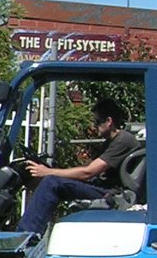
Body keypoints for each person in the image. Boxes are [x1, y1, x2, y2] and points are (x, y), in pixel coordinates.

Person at [14, 97, 141, 235]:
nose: (94, 126)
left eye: (97, 122)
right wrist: (49, 171)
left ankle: (26, 236)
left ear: (109, 121)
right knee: (53, 181)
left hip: (112, 193)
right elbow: (84, 169)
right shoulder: (109, 143)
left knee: (52, 182)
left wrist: (48, 173)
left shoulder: (123, 140)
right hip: (101, 187)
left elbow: (88, 172)